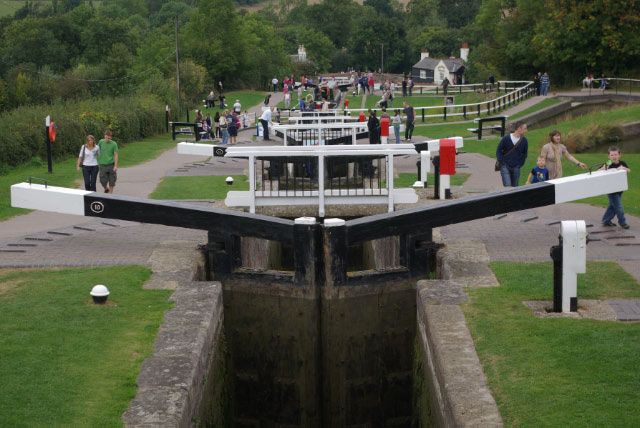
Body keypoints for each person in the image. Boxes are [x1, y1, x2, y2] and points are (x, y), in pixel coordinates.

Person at [601, 146, 631, 229]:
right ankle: (622, 222)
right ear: (609, 156)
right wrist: (604, 168)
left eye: (615, 154)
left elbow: (629, 170)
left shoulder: (622, 163)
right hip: (611, 190)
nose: (614, 157)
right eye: (612, 155)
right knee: (618, 207)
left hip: (620, 189)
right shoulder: (608, 163)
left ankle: (606, 220)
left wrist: (623, 168)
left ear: (619, 155)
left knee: (612, 206)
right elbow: (599, 171)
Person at [496, 121, 528, 187]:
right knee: (507, 186)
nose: (526, 130)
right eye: (525, 128)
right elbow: (498, 150)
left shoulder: (524, 141)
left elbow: (525, 154)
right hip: (505, 166)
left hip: (516, 167)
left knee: (515, 187)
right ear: (519, 128)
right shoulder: (506, 138)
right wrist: (502, 162)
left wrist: (519, 164)